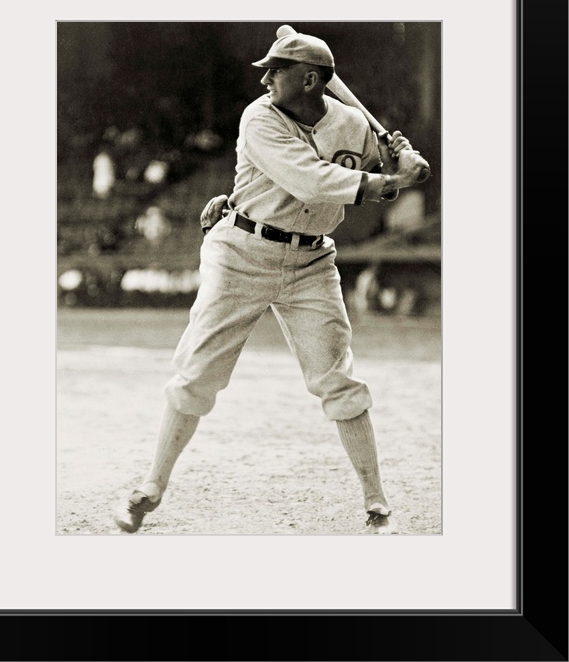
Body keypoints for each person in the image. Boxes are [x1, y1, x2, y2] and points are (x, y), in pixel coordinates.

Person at [114, 30, 427, 534]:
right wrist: (391, 180)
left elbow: (381, 176)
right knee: (198, 373)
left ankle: (377, 502)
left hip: (311, 263)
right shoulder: (259, 117)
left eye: (276, 71)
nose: (265, 80)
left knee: (338, 380)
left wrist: (400, 158)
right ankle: (151, 485)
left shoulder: (352, 124)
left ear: (309, 80)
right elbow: (312, 180)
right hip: (243, 253)